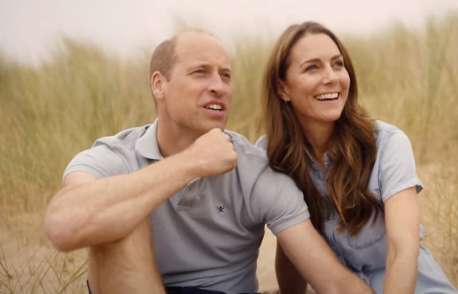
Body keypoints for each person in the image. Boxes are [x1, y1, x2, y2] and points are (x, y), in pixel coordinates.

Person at [43, 31, 373, 294]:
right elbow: (62, 226)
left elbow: (332, 281)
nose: (219, 87)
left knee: (117, 205)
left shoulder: (255, 170)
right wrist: (190, 163)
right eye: (201, 73)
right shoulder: (116, 155)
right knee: (117, 214)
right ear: (159, 84)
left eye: (226, 76)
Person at [259, 21, 458, 294]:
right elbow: (290, 247)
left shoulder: (387, 143)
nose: (331, 77)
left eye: (337, 64)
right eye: (312, 67)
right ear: (282, 88)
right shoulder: (271, 156)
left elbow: (403, 249)